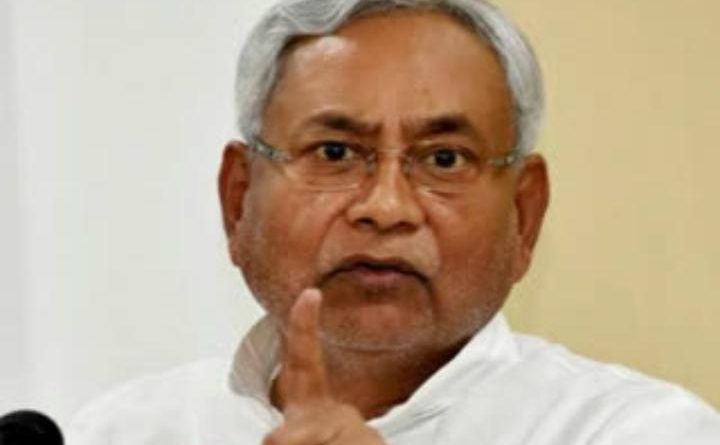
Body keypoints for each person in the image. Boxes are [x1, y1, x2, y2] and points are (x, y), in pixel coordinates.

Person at [69, 0, 720, 443]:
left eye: (443, 159)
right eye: (335, 152)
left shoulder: (637, 431)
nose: (386, 207)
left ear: (525, 216)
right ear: (238, 200)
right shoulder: (122, 432)